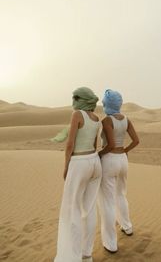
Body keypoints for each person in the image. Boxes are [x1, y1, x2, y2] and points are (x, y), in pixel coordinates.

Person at [54, 87, 102, 262]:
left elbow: (70, 144)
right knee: (89, 209)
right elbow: (95, 143)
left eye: (75, 97)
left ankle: (71, 257)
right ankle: (86, 254)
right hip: (95, 162)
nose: (73, 100)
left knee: (71, 210)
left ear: (82, 99)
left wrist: (66, 166)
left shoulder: (77, 115)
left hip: (79, 163)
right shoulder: (97, 118)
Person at [98, 89, 139, 253]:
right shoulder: (127, 120)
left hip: (109, 160)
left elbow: (110, 145)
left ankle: (110, 243)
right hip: (123, 160)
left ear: (108, 103)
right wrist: (126, 150)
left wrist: (97, 155)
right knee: (121, 194)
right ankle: (127, 227)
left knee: (107, 201)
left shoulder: (107, 120)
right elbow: (136, 140)